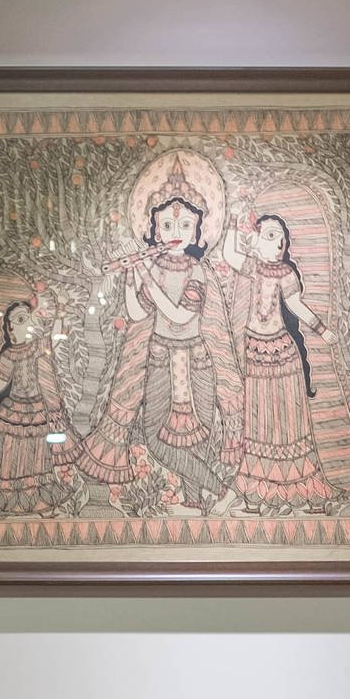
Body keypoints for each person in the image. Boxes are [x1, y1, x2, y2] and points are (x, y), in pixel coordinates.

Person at [76, 160, 242, 511]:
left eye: (184, 224)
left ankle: (201, 499)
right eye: (167, 225)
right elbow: (138, 314)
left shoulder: (198, 270)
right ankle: (216, 493)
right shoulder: (151, 266)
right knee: (156, 439)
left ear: (197, 232)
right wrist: (131, 279)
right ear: (154, 230)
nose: (175, 231)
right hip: (158, 357)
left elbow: (181, 316)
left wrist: (149, 282)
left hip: (195, 361)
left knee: (197, 438)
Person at [222, 212, 333, 513]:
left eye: (282, 238)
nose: (279, 243)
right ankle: (256, 493)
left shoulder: (285, 273)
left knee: (287, 425)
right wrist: (233, 220)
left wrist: (322, 330)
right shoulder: (252, 267)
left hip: (282, 355)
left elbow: (296, 305)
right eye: (271, 235)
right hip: (254, 354)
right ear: (255, 240)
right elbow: (229, 254)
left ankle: (299, 491)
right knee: (258, 425)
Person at [0, 298, 74, 499]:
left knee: (37, 453)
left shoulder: (37, 347)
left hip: (38, 410)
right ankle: (9, 492)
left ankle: (35, 494)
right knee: (10, 451)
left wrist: (60, 309)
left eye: (22, 320)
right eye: (12, 322)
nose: (14, 327)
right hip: (13, 409)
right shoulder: (8, 355)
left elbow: (55, 336)